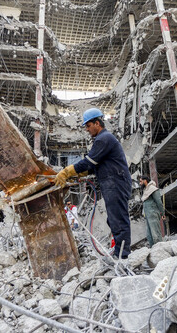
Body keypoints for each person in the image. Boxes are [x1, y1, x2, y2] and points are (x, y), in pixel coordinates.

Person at [56, 108, 132, 259]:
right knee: (113, 219)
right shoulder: (103, 140)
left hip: (115, 182)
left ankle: (123, 255)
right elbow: (92, 167)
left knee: (118, 219)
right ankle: (119, 251)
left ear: (97, 123)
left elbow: (88, 162)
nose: (87, 129)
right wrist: (78, 174)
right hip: (112, 182)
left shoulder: (104, 139)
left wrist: (67, 171)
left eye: (89, 125)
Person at [139, 175, 165, 247]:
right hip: (148, 215)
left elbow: (159, 202)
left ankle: (159, 248)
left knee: (155, 232)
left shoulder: (153, 189)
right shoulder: (146, 190)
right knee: (149, 234)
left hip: (153, 213)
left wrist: (162, 213)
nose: (140, 183)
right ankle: (152, 249)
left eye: (141, 181)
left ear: (145, 181)